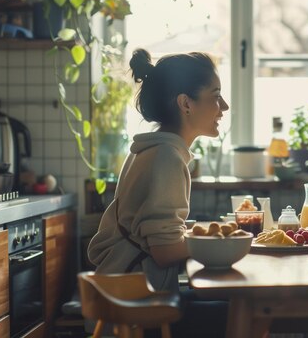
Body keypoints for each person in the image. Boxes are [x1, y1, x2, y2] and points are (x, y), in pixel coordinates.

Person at [88, 48, 229, 337]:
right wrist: (222, 243)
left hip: (127, 296)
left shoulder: (154, 150)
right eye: (215, 96)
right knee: (245, 312)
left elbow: (157, 234)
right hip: (140, 310)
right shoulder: (167, 157)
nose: (223, 106)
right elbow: (164, 252)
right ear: (185, 103)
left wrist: (202, 233)